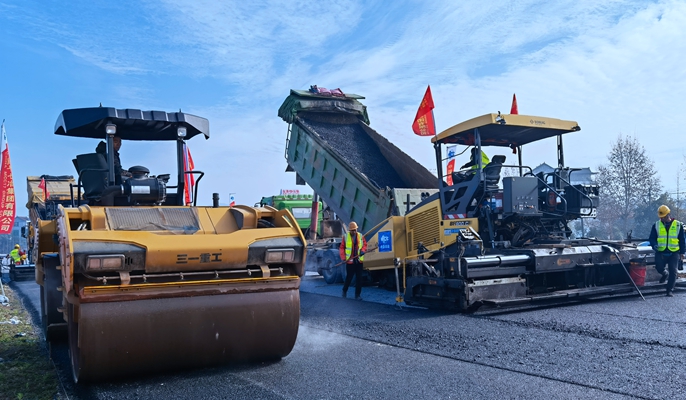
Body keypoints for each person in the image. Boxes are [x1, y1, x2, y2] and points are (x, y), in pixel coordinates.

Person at [648, 205, 685, 297]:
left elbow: (682, 240)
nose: (662, 218)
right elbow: (652, 238)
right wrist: (654, 245)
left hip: (674, 252)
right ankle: (665, 273)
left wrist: (682, 252)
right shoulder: (656, 225)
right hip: (661, 251)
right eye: (661, 217)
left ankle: (669, 290)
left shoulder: (678, 225)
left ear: (668, 215)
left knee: (673, 271)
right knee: (659, 267)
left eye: (663, 216)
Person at [339, 221, 367, 300]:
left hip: (359, 261)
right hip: (350, 261)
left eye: (355, 230)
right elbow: (342, 248)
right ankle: (344, 291)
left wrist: (363, 251)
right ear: (349, 230)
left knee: (359, 279)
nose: (354, 231)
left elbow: (364, 244)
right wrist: (343, 258)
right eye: (352, 230)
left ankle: (357, 295)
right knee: (349, 278)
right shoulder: (345, 237)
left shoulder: (360, 236)